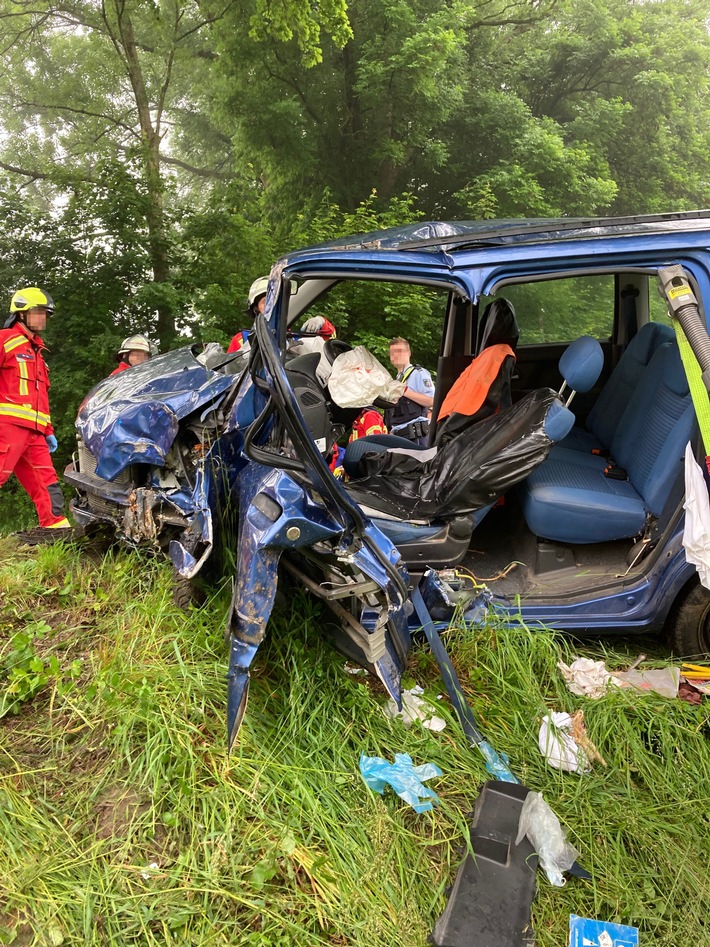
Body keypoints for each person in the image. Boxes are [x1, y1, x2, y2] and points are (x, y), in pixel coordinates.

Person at [0, 287, 71, 529]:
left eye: (46, 313)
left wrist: (48, 430)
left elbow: (41, 397)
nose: (44, 317)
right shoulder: (5, 340)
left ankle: (55, 529)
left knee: (46, 481)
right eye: (38, 312)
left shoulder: (38, 354)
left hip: (36, 432)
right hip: (7, 426)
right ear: (21, 314)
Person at [384, 337, 435, 445]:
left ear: (408, 353)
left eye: (399, 351)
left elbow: (432, 401)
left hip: (416, 436)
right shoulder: (396, 380)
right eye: (392, 352)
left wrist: (405, 391)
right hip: (399, 436)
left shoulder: (418, 373)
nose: (395, 355)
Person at [227, 276, 268, 353]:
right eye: (265, 301)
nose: (271, 305)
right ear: (256, 308)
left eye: (275, 300)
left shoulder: (294, 339)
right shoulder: (241, 340)